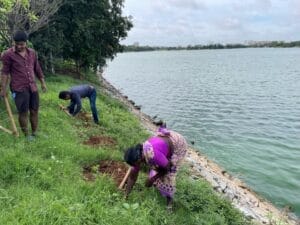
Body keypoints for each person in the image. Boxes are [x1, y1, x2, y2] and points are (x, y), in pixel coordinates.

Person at [124, 126, 187, 210]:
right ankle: (157, 180)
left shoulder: (153, 155)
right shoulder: (140, 153)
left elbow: (167, 168)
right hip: (166, 143)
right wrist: (126, 196)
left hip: (178, 144)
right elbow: (132, 176)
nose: (136, 166)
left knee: (169, 176)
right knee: (156, 167)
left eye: (135, 164)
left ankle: (169, 205)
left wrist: (153, 179)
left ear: (138, 159)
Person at [0, 30, 47, 138]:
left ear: (26, 42)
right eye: (16, 44)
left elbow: (37, 68)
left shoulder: (32, 53)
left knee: (34, 111)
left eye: (21, 44)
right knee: (23, 112)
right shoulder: (8, 55)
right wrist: (3, 88)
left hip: (32, 87)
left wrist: (43, 82)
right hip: (19, 88)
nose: (19, 46)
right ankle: (27, 136)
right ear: (14, 42)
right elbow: (5, 72)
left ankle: (35, 133)